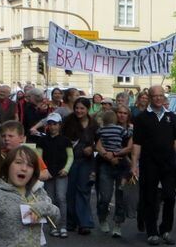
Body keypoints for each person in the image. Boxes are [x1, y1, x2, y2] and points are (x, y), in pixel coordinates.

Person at [132, 86, 176, 246]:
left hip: (168, 162)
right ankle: (152, 231)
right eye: (155, 96)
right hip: (149, 162)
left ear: (164, 97)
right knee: (150, 196)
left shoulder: (171, 117)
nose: (158, 98)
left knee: (170, 196)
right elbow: (137, 143)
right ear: (149, 97)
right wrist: (134, 164)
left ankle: (166, 229)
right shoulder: (142, 118)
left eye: (161, 96)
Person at [62, 97, 99, 235]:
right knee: (70, 191)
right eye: (77, 108)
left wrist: (92, 148)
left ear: (87, 109)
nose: (79, 110)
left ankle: (84, 223)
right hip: (70, 160)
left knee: (83, 190)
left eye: (82, 108)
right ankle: (71, 221)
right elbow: (62, 140)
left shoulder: (93, 124)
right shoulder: (68, 121)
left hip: (86, 161)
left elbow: (99, 142)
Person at [94, 109, 133, 237]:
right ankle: (102, 217)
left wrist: (116, 154)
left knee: (120, 195)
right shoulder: (106, 129)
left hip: (123, 165)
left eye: (124, 113)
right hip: (106, 163)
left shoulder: (128, 130)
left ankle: (118, 224)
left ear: (128, 116)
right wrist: (108, 156)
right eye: (119, 113)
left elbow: (130, 147)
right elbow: (98, 145)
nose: (121, 115)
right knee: (105, 196)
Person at [35, 113, 73, 238]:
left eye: (55, 124)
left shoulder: (66, 140)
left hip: (61, 173)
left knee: (61, 198)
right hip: (48, 174)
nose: (52, 127)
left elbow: (70, 156)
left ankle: (63, 226)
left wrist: (66, 169)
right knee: (50, 199)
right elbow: (39, 157)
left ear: (60, 125)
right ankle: (53, 226)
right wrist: (44, 171)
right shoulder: (42, 140)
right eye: (50, 124)